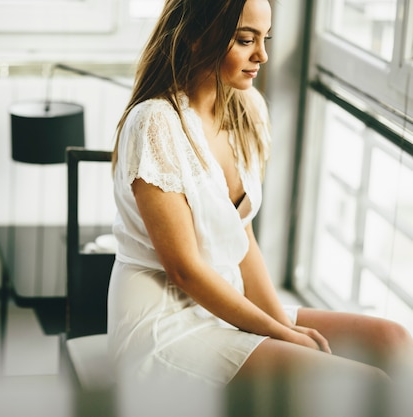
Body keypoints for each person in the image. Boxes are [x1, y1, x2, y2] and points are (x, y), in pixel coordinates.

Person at [107, 0, 412, 390]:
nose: (262, 55)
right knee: (367, 385)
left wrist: (282, 325)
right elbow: (183, 270)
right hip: (166, 321)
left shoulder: (245, 110)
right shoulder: (154, 123)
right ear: (198, 39)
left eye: (265, 38)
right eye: (245, 40)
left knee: (394, 340)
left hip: (225, 298)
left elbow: (242, 239)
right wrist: (281, 335)